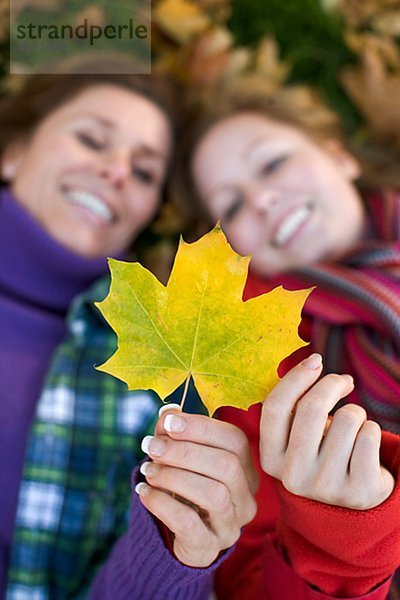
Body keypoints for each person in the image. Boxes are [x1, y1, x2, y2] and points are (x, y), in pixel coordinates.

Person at [0, 59, 258, 598]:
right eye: (93, 139)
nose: (117, 171)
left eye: (144, 173)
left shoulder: (160, 374)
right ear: (12, 150)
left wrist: (174, 553)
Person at [172, 81, 400, 598]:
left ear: (339, 155)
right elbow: (246, 580)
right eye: (231, 205)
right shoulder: (254, 374)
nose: (263, 199)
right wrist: (336, 535)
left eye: (271, 164)